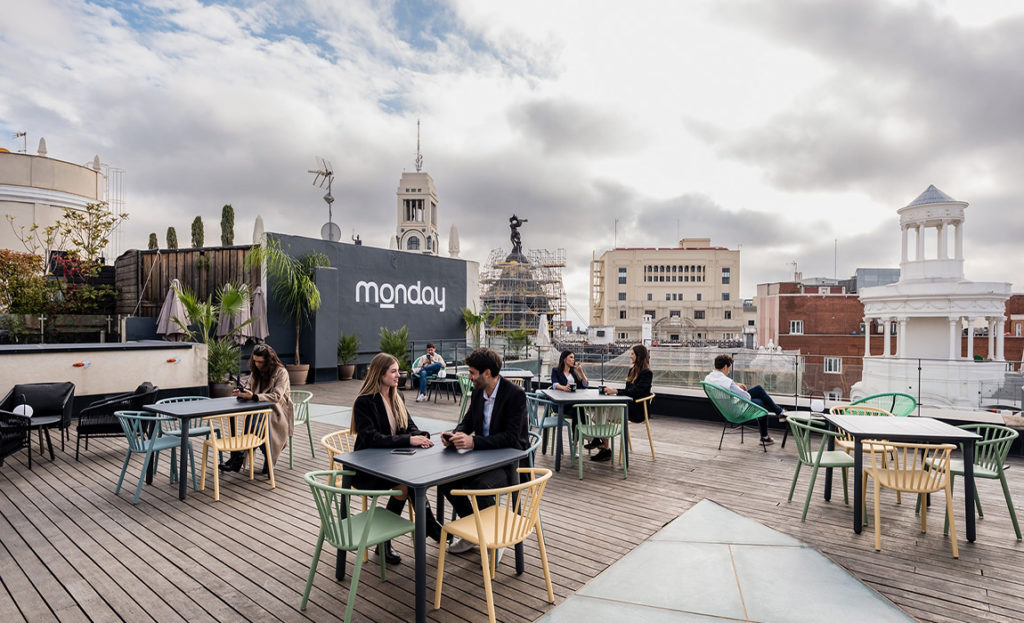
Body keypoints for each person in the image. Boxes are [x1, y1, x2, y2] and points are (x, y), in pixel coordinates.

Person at [352, 353, 441, 564]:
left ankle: (387, 541)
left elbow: (408, 425)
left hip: (394, 463)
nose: (398, 375)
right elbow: (372, 439)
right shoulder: (364, 402)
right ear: (379, 374)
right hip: (369, 469)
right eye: (393, 371)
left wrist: (421, 436)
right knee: (407, 485)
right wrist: (409, 441)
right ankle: (430, 525)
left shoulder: (397, 396)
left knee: (411, 481)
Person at [439, 347, 529, 554]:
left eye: (472, 372)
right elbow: (468, 421)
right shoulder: (479, 392)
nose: (469, 377)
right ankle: (476, 532)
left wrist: (474, 443)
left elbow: (511, 438)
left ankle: (493, 537)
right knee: (445, 481)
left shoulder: (515, 395)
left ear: (487, 373)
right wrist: (454, 436)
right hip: (481, 458)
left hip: (510, 463)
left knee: (481, 486)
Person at [223, 344, 294, 474]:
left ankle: (238, 456)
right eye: (255, 361)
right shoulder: (256, 372)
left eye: (260, 362)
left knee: (256, 422)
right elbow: (249, 387)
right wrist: (243, 392)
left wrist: (255, 396)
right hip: (258, 410)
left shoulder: (281, 372)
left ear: (269, 361)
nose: (257, 364)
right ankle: (262, 457)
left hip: (277, 411)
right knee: (256, 421)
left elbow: (276, 396)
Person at [704, 354, 785, 445]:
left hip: (726, 410)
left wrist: (736, 385)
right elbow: (746, 397)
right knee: (761, 401)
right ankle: (769, 430)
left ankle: (779, 413)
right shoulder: (727, 382)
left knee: (759, 392)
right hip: (737, 410)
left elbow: (724, 385)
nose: (729, 372)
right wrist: (737, 387)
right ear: (725, 367)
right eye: (729, 369)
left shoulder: (709, 378)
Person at [598, 344, 653, 462]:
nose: (630, 356)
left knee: (603, 412)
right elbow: (629, 391)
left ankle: (603, 444)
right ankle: (603, 444)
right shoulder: (632, 371)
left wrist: (615, 391)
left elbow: (635, 392)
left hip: (637, 410)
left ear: (639, 356)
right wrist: (614, 392)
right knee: (600, 411)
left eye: (632, 354)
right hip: (628, 405)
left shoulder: (647, 373)